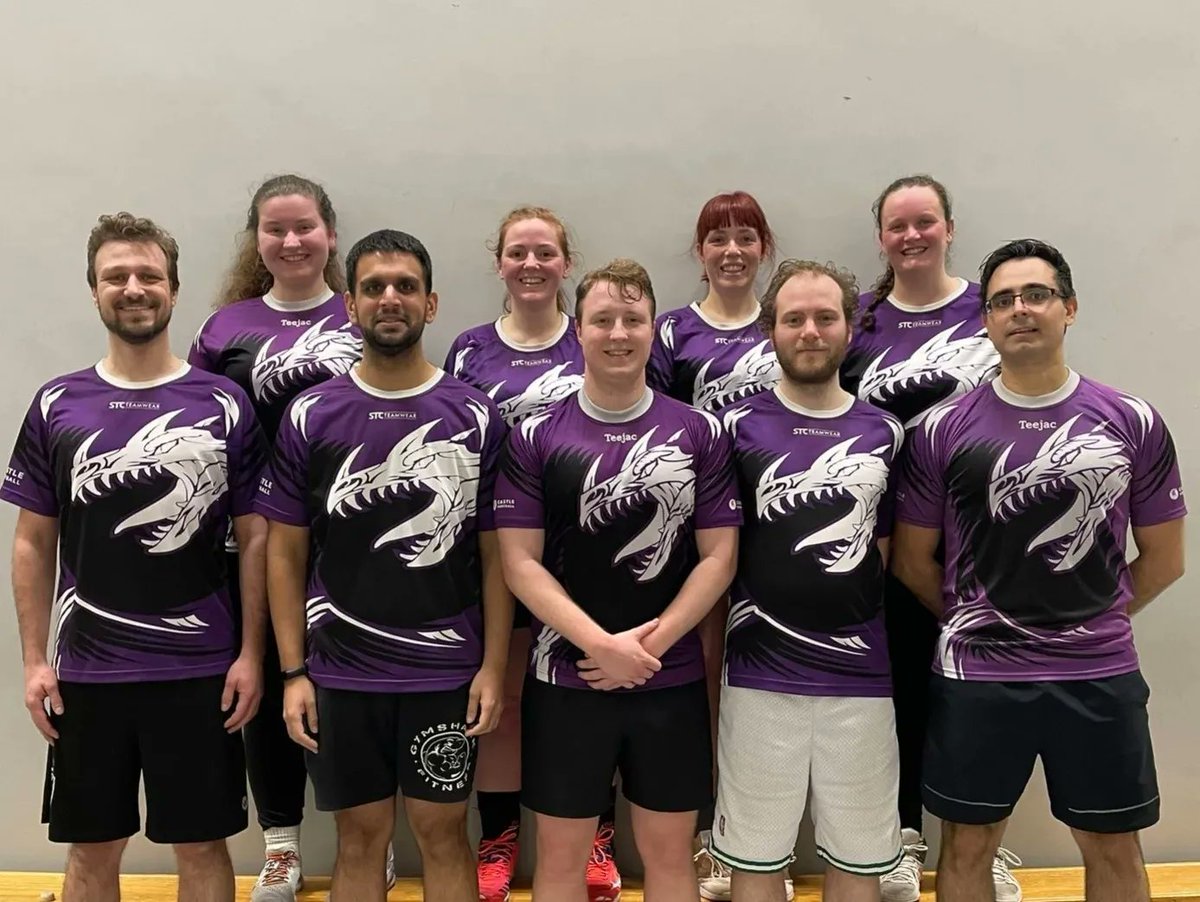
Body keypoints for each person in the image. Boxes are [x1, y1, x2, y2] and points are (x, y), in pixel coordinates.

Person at [892, 238, 1187, 902]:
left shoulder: (1131, 421)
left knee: (1114, 847)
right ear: (985, 321)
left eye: (1037, 295)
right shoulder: (941, 430)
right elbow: (912, 561)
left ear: (1069, 308)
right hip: (977, 679)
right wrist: (982, 625)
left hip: (1099, 676)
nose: (1020, 310)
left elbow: (1166, 559)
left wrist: (1089, 622)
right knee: (966, 846)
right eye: (1003, 300)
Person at [2, 213, 268, 902]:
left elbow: (259, 539)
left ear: (174, 290)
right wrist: (35, 661)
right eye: (115, 276)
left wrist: (251, 654)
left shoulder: (224, 403)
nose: (133, 288)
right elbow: (33, 540)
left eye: (149, 275)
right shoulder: (59, 403)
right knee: (92, 849)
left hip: (202, 668)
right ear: (94, 291)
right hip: (87, 671)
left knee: (202, 845)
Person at [256, 229, 510, 902]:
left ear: (431, 304)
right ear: (350, 305)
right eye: (373, 287)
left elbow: (497, 553)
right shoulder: (311, 414)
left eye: (404, 287)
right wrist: (292, 673)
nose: (389, 299)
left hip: (444, 671)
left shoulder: (475, 414)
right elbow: (283, 552)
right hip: (340, 674)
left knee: (443, 836)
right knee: (360, 840)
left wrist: (489, 667)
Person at [494, 259, 741, 902]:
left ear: (654, 330)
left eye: (633, 319)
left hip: (671, 676)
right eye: (603, 319)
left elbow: (719, 557)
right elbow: (519, 562)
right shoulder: (534, 435)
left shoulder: (699, 432)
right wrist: (600, 646)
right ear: (578, 330)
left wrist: (647, 649)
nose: (618, 333)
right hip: (563, 676)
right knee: (558, 864)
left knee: (668, 860)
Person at [838, 174, 1014, 902]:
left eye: (925, 222)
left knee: (985, 695)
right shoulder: (860, 319)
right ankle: (901, 839)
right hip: (887, 538)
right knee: (902, 688)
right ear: (880, 237)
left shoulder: (988, 308)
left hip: (985, 534)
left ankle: (982, 848)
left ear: (948, 227)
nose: (912, 236)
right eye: (898, 225)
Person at [190, 172, 364, 901]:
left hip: (354, 541)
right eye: (275, 229)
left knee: (353, 689)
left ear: (329, 231)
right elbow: (202, 433)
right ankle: (282, 846)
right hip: (257, 544)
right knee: (264, 684)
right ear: (257, 239)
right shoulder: (227, 327)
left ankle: (368, 839)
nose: (291, 241)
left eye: (304, 227)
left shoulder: (367, 313)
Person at [711, 259, 905, 902]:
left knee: (859, 865)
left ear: (850, 328)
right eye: (794, 318)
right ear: (771, 330)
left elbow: (886, 550)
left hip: (862, 682)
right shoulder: (732, 430)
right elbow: (716, 558)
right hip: (760, 678)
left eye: (826, 317)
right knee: (754, 866)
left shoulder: (885, 432)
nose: (811, 331)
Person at [445, 206, 620, 901]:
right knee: (506, 700)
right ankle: (499, 835)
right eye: (517, 252)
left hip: (585, 548)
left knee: (590, 694)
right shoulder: (468, 350)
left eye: (545, 252)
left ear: (565, 263)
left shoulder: (590, 339)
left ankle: (596, 835)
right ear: (499, 263)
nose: (531, 264)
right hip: (497, 546)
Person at [646, 191, 779, 897]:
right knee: (699, 674)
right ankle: (704, 838)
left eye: (745, 236)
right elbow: (658, 424)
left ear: (765, 247)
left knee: (754, 685)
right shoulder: (672, 334)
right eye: (717, 238)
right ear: (699, 252)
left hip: (778, 524)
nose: (731, 249)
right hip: (695, 527)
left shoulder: (788, 322)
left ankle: (749, 834)